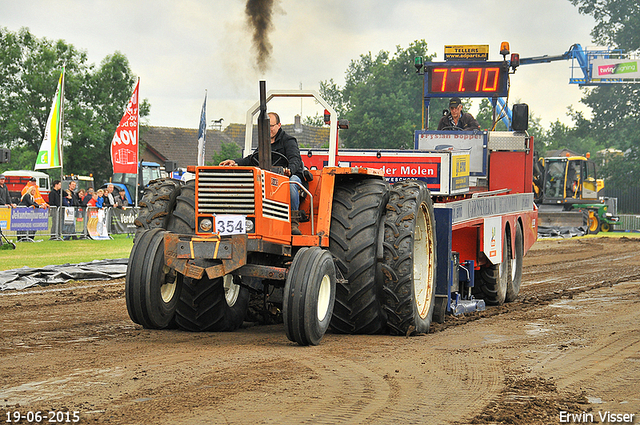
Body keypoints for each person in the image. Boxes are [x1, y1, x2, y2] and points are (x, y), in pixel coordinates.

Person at [220, 112, 305, 235]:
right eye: (265, 127)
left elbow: (295, 159)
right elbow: (252, 159)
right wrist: (235, 162)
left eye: (271, 126)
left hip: (288, 176)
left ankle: (293, 222)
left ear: (278, 125)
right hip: (270, 177)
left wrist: (289, 170)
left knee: (291, 185)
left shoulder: (289, 140)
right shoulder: (264, 144)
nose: (268, 130)